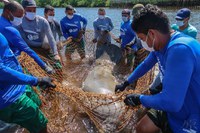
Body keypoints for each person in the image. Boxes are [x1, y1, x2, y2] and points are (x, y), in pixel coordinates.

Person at [116, 4, 200, 133]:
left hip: (191, 113)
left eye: (142, 38)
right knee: (142, 128)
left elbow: (172, 103)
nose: (143, 43)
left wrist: (139, 98)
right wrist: (126, 82)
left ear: (151, 33)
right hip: (172, 106)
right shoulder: (160, 44)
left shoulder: (180, 49)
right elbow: (145, 65)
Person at [0, 33, 55, 133]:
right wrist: (36, 80)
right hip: (10, 97)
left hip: (20, 85)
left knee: (39, 107)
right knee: (41, 127)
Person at [0, 1, 54, 74]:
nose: (20, 20)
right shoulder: (10, 30)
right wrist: (44, 66)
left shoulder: (2, 20)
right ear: (8, 12)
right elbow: (26, 49)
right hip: (12, 62)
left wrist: (7, 3)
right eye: (18, 17)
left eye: (22, 17)